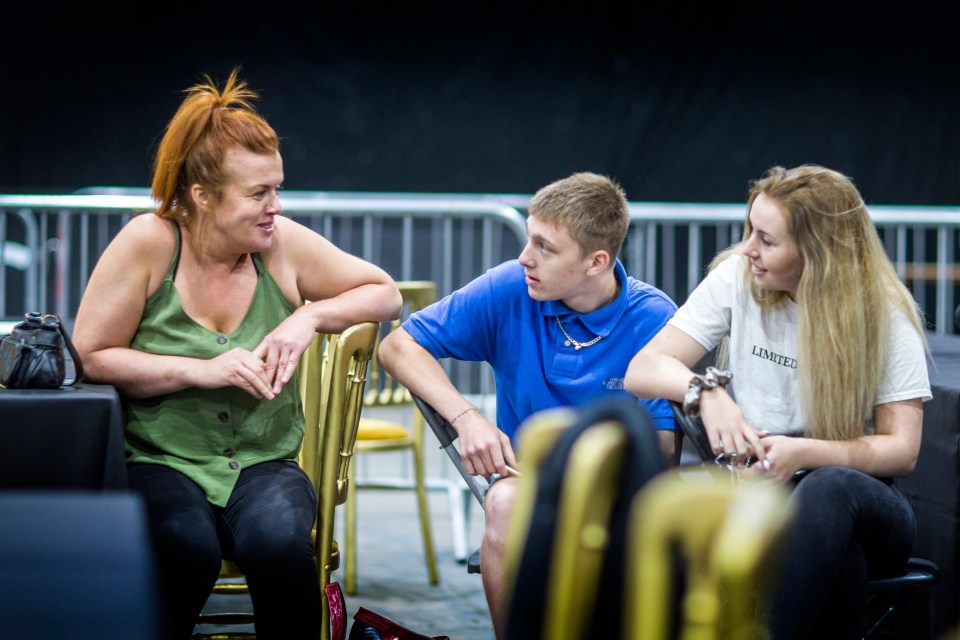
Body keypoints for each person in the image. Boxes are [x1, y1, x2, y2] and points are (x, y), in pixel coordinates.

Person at [72, 69, 401, 639]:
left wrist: (309, 316)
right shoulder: (149, 243)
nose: (275, 206)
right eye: (259, 193)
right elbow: (93, 356)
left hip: (264, 462)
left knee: (279, 548)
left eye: (277, 188)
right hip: (160, 460)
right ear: (201, 196)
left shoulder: (282, 244)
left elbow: (385, 293)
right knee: (184, 549)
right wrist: (201, 370)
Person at [625, 164, 931, 639]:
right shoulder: (738, 277)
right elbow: (643, 369)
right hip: (771, 501)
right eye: (750, 230)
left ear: (817, 252)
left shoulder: (884, 314)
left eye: (766, 240)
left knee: (828, 489)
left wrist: (805, 454)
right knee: (839, 559)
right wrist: (706, 393)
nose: (748, 248)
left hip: (866, 505)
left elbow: (902, 450)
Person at [377, 171, 679, 639]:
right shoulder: (511, 287)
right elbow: (398, 347)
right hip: (525, 486)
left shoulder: (653, 317)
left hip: (619, 496)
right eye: (528, 239)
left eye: (545, 247)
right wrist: (467, 418)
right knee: (504, 502)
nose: (525, 257)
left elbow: (660, 455)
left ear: (596, 261)